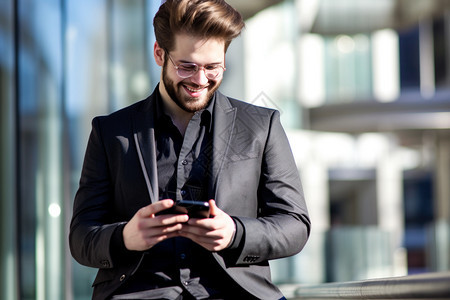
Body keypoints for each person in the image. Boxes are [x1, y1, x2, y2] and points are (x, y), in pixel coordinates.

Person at [69, 0, 311, 299]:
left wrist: (235, 233)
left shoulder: (263, 125)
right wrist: (125, 237)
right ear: (159, 53)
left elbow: (295, 225)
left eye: (213, 68)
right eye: (187, 67)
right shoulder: (111, 132)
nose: (199, 80)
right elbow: (81, 238)